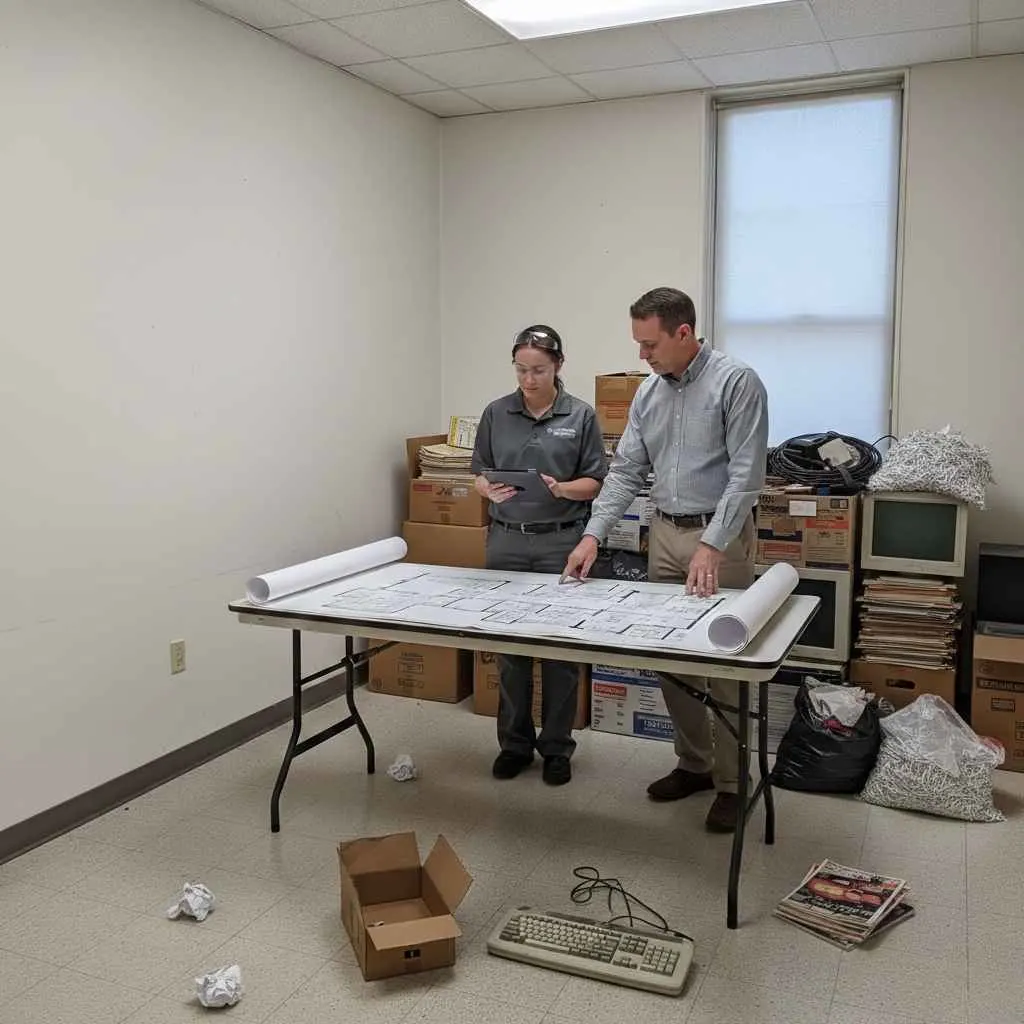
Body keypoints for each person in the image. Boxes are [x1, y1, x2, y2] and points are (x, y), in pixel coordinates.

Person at [562, 288, 769, 831]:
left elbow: (747, 474)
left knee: (725, 664)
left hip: (718, 540)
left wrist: (713, 543)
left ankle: (733, 783)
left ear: (683, 333)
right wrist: (592, 536)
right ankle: (694, 765)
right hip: (665, 535)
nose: (642, 355)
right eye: (638, 344)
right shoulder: (649, 393)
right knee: (672, 660)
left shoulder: (736, 382)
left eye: (650, 344)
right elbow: (626, 470)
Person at [471, 325, 607, 786]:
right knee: (510, 650)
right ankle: (513, 744)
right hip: (507, 541)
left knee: (558, 651)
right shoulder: (496, 412)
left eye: (539, 371)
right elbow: (479, 473)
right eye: (521, 370)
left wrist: (560, 488)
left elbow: (595, 482)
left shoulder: (580, 415)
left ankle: (556, 748)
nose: (529, 380)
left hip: (560, 543)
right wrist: (487, 489)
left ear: (559, 366)